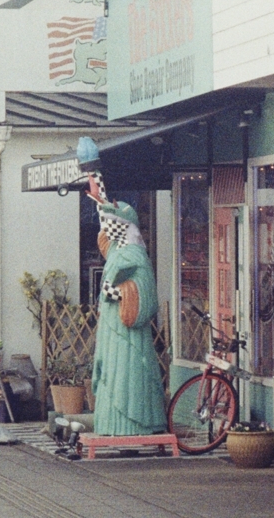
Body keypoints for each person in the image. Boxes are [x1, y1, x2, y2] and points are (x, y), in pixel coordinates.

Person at [79, 138, 167, 436]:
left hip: (129, 335)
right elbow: (105, 215)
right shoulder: (117, 249)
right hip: (112, 332)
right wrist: (93, 177)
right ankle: (112, 424)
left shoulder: (134, 254)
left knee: (129, 376)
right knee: (112, 376)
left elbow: (146, 294)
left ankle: (135, 426)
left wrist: (120, 294)